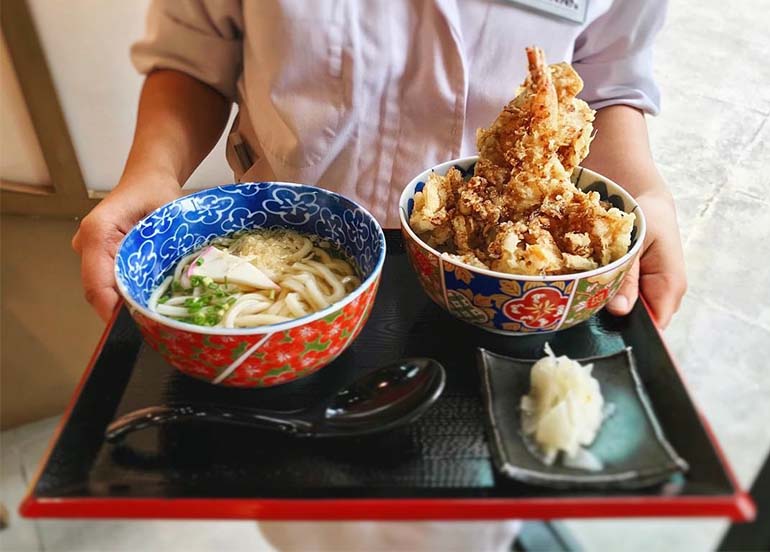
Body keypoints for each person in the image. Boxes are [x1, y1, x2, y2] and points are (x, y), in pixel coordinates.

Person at [72, 1, 685, 550]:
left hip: (492, 285)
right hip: (293, 275)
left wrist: (645, 190)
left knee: (478, 502)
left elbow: (607, 82)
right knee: (304, 501)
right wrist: (150, 173)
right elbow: (194, 56)